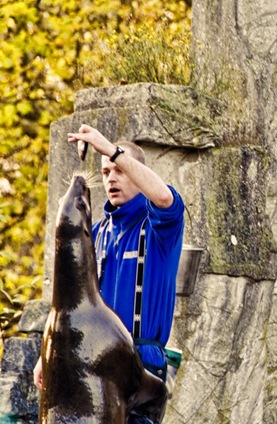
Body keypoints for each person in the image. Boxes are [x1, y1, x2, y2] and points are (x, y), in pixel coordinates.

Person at [34, 124, 184, 423]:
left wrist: (111, 150)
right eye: (105, 172)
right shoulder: (96, 232)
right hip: (92, 363)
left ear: (137, 173)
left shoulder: (159, 228)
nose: (111, 178)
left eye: (119, 170)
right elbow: (73, 299)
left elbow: (165, 199)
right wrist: (47, 355)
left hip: (139, 363)